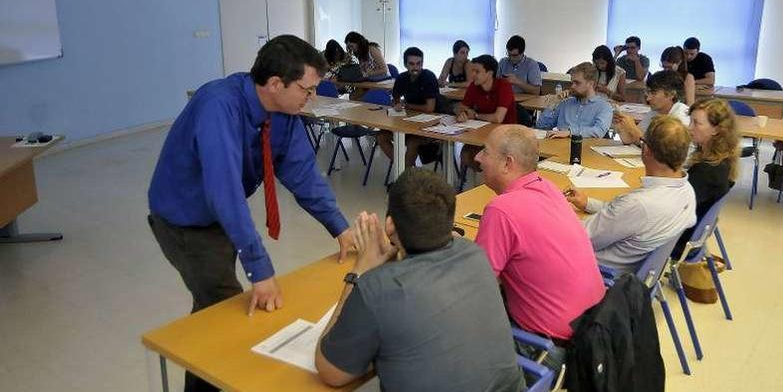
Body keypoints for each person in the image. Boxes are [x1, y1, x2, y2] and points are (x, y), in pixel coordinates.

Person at [147, 35, 354, 392]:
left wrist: (340, 228)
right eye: (307, 89)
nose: (312, 98)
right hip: (184, 221)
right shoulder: (218, 105)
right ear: (275, 84)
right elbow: (224, 192)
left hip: (220, 215)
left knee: (211, 312)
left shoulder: (283, 112)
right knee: (224, 308)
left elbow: (303, 172)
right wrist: (260, 268)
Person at [315, 168, 525, 391]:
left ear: (390, 226)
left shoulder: (374, 289)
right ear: (448, 220)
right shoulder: (474, 253)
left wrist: (360, 271)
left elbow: (332, 373)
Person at [474, 125, 606, 371]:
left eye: (485, 151)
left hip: (551, 351)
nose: (477, 157)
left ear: (507, 163)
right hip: (594, 333)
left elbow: (476, 289)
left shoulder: (500, 211)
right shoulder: (549, 188)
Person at [565, 116, 696, 272]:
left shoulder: (638, 205)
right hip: (637, 273)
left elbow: (577, 237)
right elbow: (621, 216)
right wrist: (588, 203)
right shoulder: (687, 190)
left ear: (646, 150)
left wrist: (554, 213)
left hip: (597, 273)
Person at [671, 99, 740, 259]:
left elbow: (675, 207)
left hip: (676, 240)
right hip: (690, 233)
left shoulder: (707, 171)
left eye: (696, 123)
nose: (689, 128)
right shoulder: (723, 160)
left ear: (716, 129)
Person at [377, 47, 440, 168]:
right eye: (411, 64)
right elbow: (395, 98)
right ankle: (405, 167)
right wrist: (396, 104)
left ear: (422, 64)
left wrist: (406, 105)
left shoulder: (429, 77)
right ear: (405, 64)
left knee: (412, 142)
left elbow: (430, 108)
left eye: (418, 64)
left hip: (428, 126)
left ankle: (404, 171)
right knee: (381, 136)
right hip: (407, 122)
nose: (415, 67)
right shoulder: (402, 78)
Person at [455, 55, 518, 172]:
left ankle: (488, 181)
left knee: (485, 157)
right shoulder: (474, 86)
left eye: (477, 71)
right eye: (472, 70)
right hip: (481, 132)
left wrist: (476, 115)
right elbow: (461, 107)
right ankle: (479, 183)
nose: (473, 74)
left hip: (505, 135)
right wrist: (462, 113)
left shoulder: (504, 86)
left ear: (489, 73)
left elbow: (498, 118)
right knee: (466, 154)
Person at [535, 62, 613, 138]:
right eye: (572, 82)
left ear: (591, 84)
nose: (572, 86)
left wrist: (570, 132)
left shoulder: (604, 107)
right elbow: (541, 127)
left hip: (586, 149)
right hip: (559, 148)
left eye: (577, 83)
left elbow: (599, 131)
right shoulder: (565, 103)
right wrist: (553, 104)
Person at [613, 70, 690, 145]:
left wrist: (633, 128)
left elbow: (659, 151)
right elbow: (635, 140)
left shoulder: (681, 117)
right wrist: (623, 129)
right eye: (648, 93)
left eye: (653, 93)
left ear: (671, 94)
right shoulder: (656, 111)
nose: (648, 99)